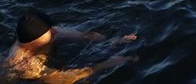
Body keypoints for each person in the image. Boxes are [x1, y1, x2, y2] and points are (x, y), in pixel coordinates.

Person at [3, 11, 138, 83]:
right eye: (50, 31)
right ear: (37, 39)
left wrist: (114, 40)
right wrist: (107, 64)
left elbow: (86, 36)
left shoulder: (49, 34)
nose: (55, 31)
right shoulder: (24, 63)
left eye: (51, 28)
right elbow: (63, 79)